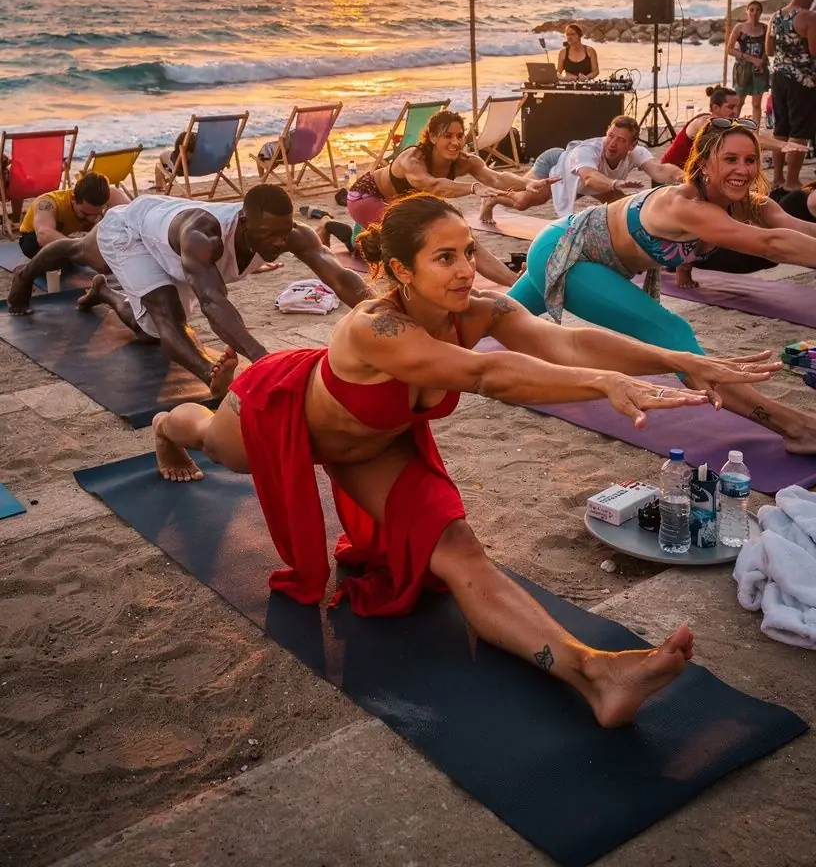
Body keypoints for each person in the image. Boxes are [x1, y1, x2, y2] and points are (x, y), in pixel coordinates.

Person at [150, 194, 778, 727]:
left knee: (460, 551)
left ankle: (593, 673)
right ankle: (163, 427)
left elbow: (565, 338)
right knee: (211, 440)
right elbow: (486, 374)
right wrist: (603, 384)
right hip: (279, 409)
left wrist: (684, 361)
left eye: (467, 253)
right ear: (399, 268)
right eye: (443, 258)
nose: (463, 270)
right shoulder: (374, 327)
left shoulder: (477, 309)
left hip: (373, 446)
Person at [506, 118, 816, 453]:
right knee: (673, 334)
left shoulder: (749, 203)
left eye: (749, 160)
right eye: (730, 159)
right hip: (566, 252)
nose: (742, 169)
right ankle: (794, 426)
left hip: (581, 253)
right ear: (704, 163)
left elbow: (795, 229)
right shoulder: (685, 205)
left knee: (488, 317)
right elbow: (771, 245)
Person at [7, 185, 372, 393]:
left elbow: (339, 277)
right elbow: (213, 302)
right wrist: (265, 362)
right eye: (268, 235)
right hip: (134, 232)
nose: (278, 243)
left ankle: (104, 292)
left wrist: (380, 308)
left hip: (169, 228)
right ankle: (209, 377)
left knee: (150, 332)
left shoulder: (290, 234)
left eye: (283, 233)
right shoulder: (205, 237)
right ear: (243, 223)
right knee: (89, 256)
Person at [347, 109, 528, 286]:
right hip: (366, 197)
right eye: (447, 136)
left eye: (459, 136)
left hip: (402, 204)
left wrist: (528, 184)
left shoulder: (463, 161)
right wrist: (473, 188)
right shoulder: (413, 159)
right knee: (409, 245)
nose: (455, 142)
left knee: (462, 235)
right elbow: (433, 186)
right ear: (433, 137)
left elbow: (496, 178)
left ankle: (513, 281)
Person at [479, 116, 681, 225]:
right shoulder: (588, 150)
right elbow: (590, 177)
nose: (612, 143)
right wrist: (614, 183)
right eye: (610, 136)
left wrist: (684, 176)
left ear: (632, 144)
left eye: (621, 140)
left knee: (621, 206)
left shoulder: (636, 152)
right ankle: (493, 198)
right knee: (523, 201)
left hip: (589, 181)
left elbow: (660, 170)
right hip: (557, 164)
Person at [767, 0, 816, 192]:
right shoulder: (809, 17)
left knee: (781, 127)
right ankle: (792, 180)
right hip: (802, 80)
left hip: (778, 76)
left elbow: (768, 50)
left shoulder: (774, 16)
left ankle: (777, 177)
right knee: (800, 130)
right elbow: (815, 51)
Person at [17, 173, 129, 259]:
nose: (93, 219)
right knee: (58, 259)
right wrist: (82, 248)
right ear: (73, 199)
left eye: (98, 213)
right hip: (33, 238)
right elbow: (44, 235)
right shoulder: (49, 203)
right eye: (85, 214)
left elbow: (135, 216)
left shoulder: (110, 194)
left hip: (71, 238)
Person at [661, 86, 739, 173]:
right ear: (715, 108)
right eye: (731, 107)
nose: (736, 112)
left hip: (688, 174)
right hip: (668, 174)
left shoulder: (724, 124)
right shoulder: (704, 123)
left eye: (737, 107)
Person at [727, 0, 770, 123]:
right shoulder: (739, 27)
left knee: (756, 104)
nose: (754, 13)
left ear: (761, 12)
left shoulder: (764, 28)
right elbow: (729, 49)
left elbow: (768, 48)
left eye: (758, 10)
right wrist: (750, 59)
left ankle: (755, 133)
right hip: (743, 69)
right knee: (739, 101)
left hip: (759, 69)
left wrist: (762, 60)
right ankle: (733, 129)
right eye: (752, 10)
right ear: (747, 11)